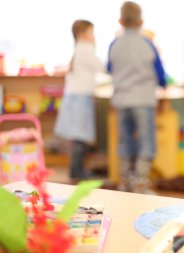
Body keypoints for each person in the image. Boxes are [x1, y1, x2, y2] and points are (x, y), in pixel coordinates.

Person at [107, 1, 167, 193]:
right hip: (143, 101)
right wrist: (162, 85)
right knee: (146, 141)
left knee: (125, 140)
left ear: (120, 21)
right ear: (141, 22)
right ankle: (141, 181)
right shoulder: (147, 44)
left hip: (122, 101)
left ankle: (125, 180)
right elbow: (161, 76)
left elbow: (109, 69)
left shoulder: (114, 45)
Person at [55, 20, 107, 179]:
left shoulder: (79, 50)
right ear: (81, 35)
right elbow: (102, 68)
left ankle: (77, 170)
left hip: (77, 97)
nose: (94, 37)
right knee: (80, 138)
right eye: (91, 33)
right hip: (79, 99)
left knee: (80, 137)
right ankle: (77, 172)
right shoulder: (85, 50)